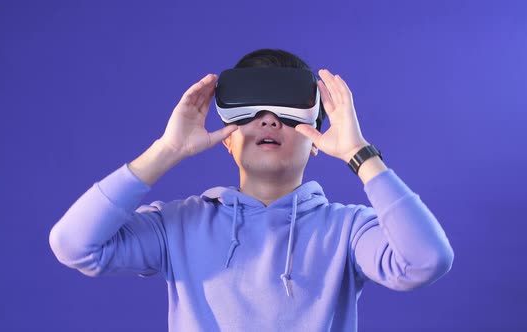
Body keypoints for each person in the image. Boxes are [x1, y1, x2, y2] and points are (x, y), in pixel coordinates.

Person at [49, 49, 454, 331]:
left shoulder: (349, 230)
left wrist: (359, 154)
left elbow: (426, 261)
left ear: (315, 140)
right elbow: (74, 245)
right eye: (253, 109)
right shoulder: (178, 225)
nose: (268, 120)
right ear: (227, 137)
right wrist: (165, 151)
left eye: (285, 111)